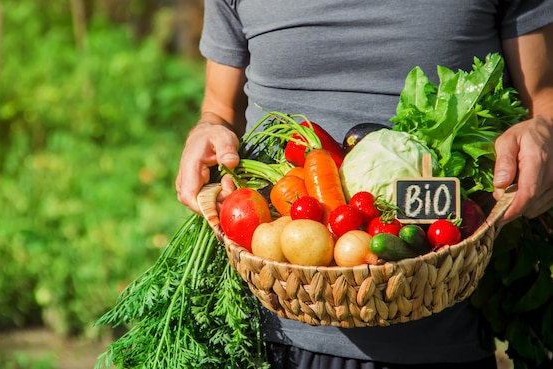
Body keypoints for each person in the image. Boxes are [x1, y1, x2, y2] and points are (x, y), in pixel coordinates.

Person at [175, 1, 553, 368]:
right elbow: (220, 107)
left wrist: (544, 131)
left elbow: (543, 98)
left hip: (442, 325)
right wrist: (208, 128)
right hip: (270, 329)